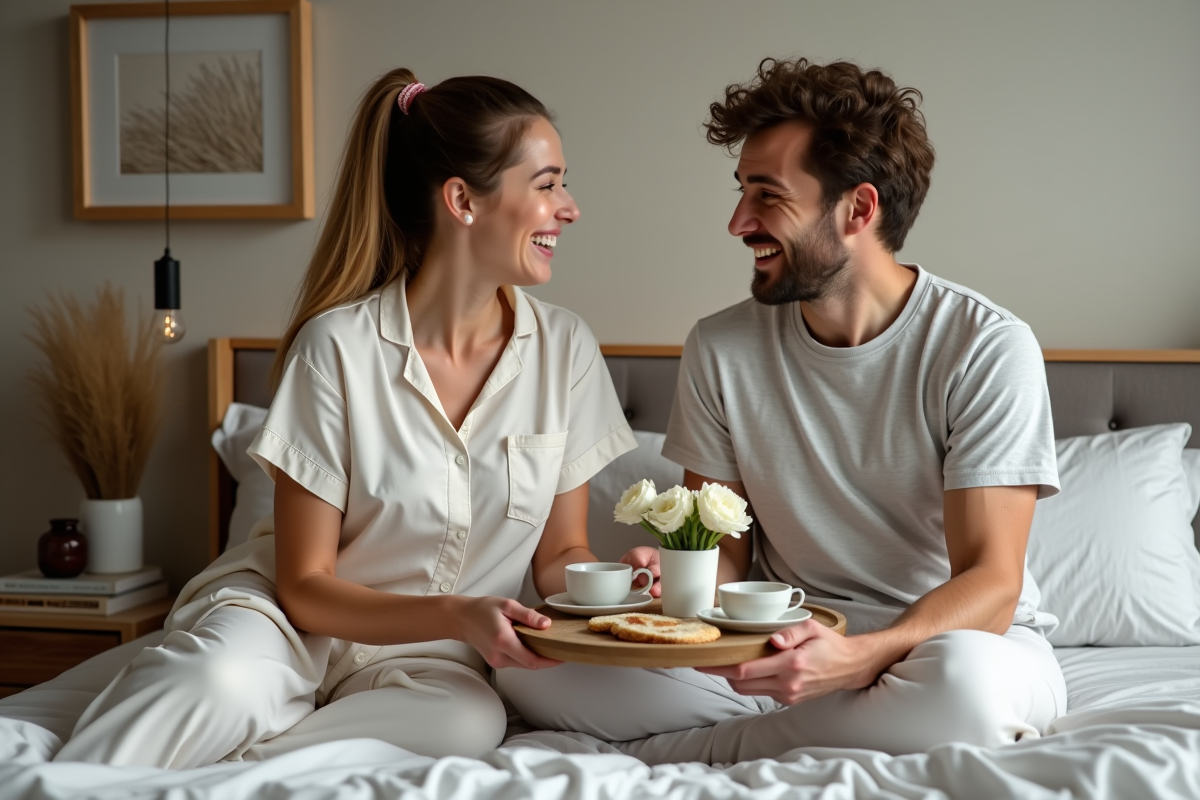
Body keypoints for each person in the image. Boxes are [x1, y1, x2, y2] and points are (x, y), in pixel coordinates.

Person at [53, 68, 637, 769]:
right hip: (284, 623)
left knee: (468, 723)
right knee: (217, 681)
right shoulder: (336, 347)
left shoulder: (564, 348)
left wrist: (625, 589)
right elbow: (304, 586)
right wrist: (456, 611)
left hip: (432, 658)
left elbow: (558, 558)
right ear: (462, 200)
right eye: (546, 185)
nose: (568, 208)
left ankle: (228, 771)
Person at [499, 57, 1066, 764]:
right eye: (741, 192)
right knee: (532, 671)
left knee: (965, 692)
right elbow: (726, 549)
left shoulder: (984, 345)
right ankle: (830, 730)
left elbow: (990, 581)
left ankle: (706, 750)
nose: (738, 222)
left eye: (767, 197)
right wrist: (679, 575)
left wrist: (861, 658)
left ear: (859, 209)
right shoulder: (721, 345)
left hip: (947, 646)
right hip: (774, 646)